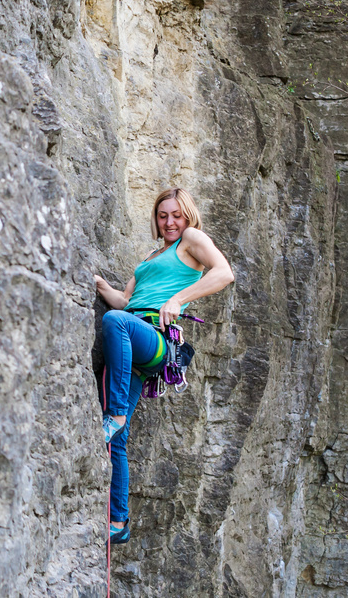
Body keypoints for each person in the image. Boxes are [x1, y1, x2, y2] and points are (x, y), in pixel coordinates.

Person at [93, 188, 234, 545]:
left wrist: (178, 298)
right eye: (162, 215)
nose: (170, 222)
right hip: (134, 338)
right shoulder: (150, 257)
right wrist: (97, 284)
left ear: (187, 216)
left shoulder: (191, 239)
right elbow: (124, 300)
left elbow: (224, 273)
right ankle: (118, 522)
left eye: (176, 214)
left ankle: (117, 414)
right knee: (117, 443)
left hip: (155, 338)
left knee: (114, 322)